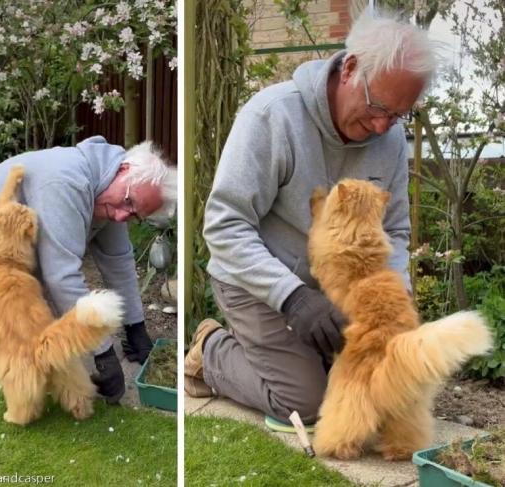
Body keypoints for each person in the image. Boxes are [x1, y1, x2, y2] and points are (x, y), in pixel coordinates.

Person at [185, 10, 439, 426]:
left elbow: (392, 230)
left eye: (397, 115)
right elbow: (224, 225)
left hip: (332, 291)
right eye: (377, 107)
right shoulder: (272, 117)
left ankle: (301, 352)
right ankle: (211, 350)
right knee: (305, 402)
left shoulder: (390, 139)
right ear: (351, 68)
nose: (381, 125)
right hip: (256, 280)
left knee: (383, 388)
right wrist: (293, 297)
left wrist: (394, 300)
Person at [0, 135, 177, 404]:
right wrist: (103, 353)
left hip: (9, 269)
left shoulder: (113, 188)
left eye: (134, 215)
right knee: (23, 354)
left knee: (52, 332)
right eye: (127, 203)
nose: (121, 216)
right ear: (124, 169)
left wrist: (135, 326)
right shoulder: (66, 182)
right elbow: (62, 277)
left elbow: (118, 260)